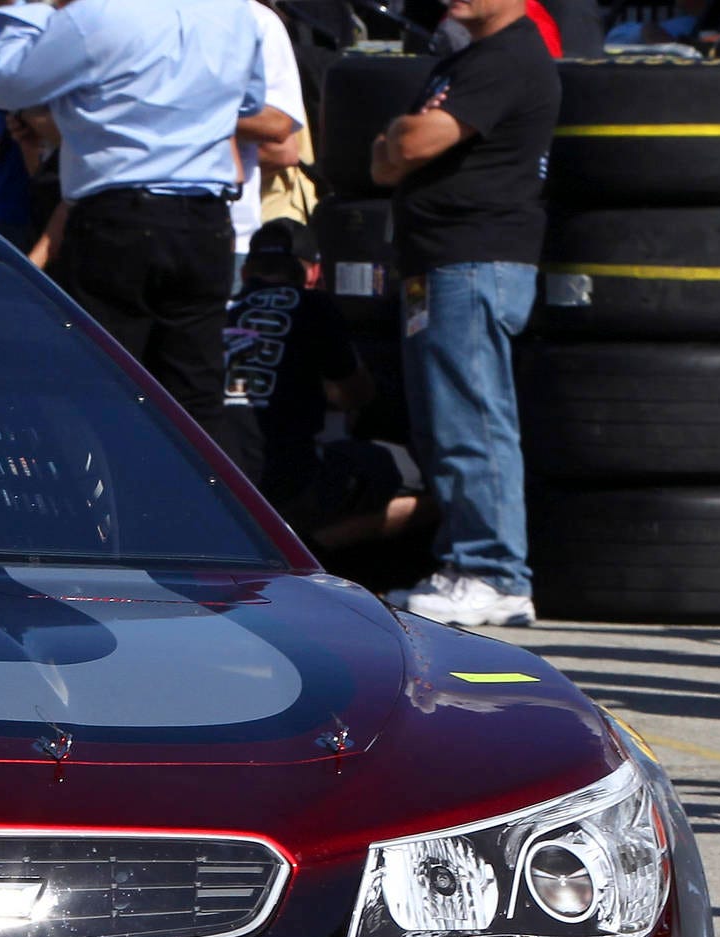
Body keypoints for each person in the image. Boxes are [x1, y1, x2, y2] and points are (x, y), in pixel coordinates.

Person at [0, 0, 290, 464]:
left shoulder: (95, 15)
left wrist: (22, 9)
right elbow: (248, 100)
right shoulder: (233, 13)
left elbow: (5, 83)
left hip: (118, 222)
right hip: (203, 223)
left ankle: (121, 527)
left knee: (103, 393)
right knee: (197, 400)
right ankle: (205, 530)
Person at [370, 0, 558, 627]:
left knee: (473, 418)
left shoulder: (508, 57)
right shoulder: (465, 60)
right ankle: (465, 565)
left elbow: (414, 139)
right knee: (445, 423)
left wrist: (403, 135)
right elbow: (381, 158)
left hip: (474, 260)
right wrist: (401, 140)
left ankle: (495, 573)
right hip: (437, 263)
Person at [224, 219, 424, 555]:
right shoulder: (314, 305)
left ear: (245, 273)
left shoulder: (215, 313)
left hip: (221, 483)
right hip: (290, 482)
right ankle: (308, 550)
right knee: (426, 479)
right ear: (314, 274)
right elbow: (358, 394)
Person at [232, 0, 305, 271]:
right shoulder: (119, 14)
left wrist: (194, 111)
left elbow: (278, 123)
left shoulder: (257, 21)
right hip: (115, 217)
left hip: (226, 229)